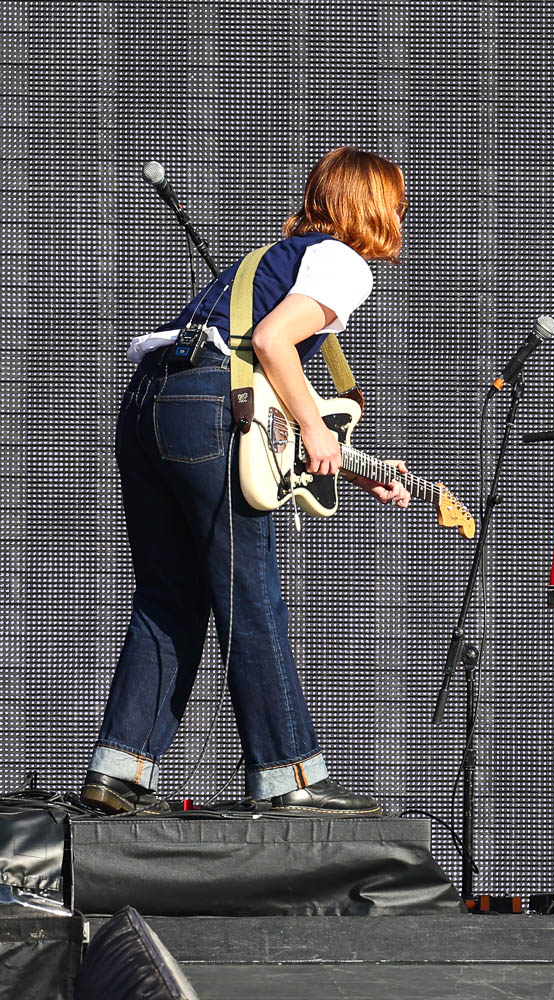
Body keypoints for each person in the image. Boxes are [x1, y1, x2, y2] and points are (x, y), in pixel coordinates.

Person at [83, 147, 411, 816]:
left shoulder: (271, 260)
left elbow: (261, 393)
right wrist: (317, 433)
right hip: (204, 409)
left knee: (168, 596)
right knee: (250, 598)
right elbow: (270, 343)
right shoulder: (343, 264)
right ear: (376, 206)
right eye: (397, 204)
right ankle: (289, 775)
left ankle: (118, 771)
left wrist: (346, 458)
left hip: (149, 403)